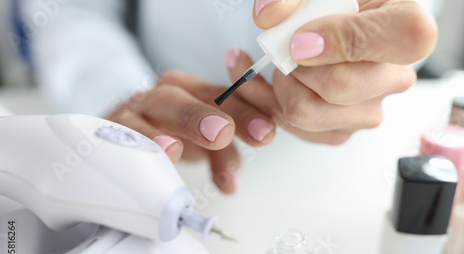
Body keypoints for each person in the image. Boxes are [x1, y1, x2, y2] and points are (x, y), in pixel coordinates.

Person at [22, 0, 438, 193]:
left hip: (337, 171)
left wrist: (369, 51)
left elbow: (406, 21)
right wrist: (118, 91)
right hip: (160, 132)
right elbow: (68, 9)